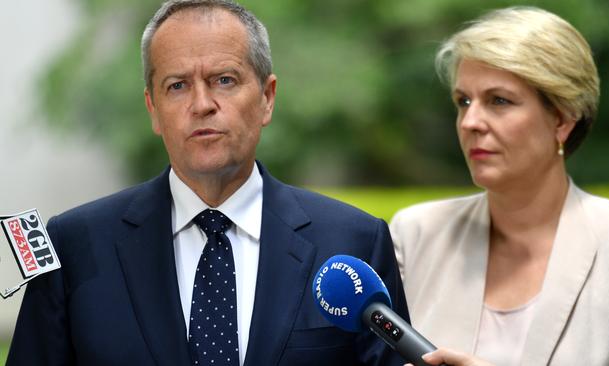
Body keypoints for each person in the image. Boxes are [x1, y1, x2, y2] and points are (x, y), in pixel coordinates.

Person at [7, 1, 409, 365]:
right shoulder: (75, 246)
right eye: (177, 86)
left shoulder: (353, 243)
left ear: (267, 98)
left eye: (224, 80)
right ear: (153, 108)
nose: (201, 104)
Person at [390, 6, 609, 366]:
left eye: (499, 101)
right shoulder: (415, 233)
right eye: (463, 101)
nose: (470, 122)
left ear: (562, 119)